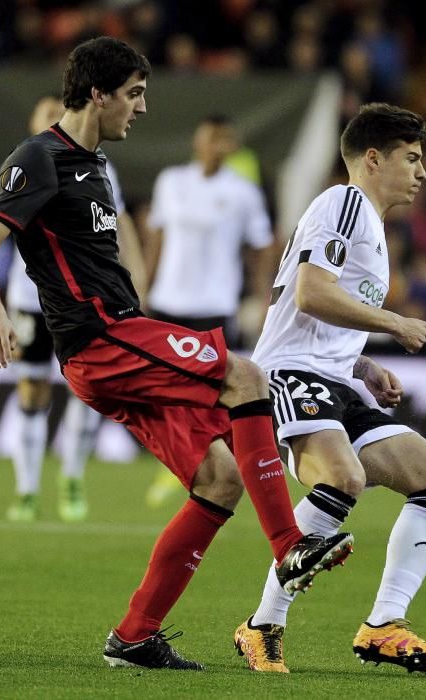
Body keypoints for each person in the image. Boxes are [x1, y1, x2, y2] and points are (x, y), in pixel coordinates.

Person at [0, 36, 353, 671]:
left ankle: (135, 637)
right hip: (99, 340)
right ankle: (288, 543)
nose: (141, 109)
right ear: (98, 93)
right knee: (243, 373)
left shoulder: (95, 166)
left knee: (219, 480)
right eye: (134, 94)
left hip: (119, 336)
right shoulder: (39, 158)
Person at [233, 103, 426, 674]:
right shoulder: (343, 202)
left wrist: (361, 366)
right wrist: (394, 323)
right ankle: (264, 624)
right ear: (373, 157)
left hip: (336, 380)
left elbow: (310, 310)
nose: (422, 172)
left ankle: (384, 624)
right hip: (287, 374)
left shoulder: (370, 225)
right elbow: (311, 294)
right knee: (343, 477)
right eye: (411, 158)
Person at [1, 94, 148, 523]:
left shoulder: (100, 166)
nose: (51, 120)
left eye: (55, 113)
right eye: (43, 114)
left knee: (88, 393)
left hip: (84, 301)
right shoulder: (21, 166)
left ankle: (72, 477)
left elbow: (120, 223)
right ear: (33, 121)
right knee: (32, 390)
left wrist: (134, 279)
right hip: (29, 299)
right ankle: (27, 489)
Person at [142, 113, 274, 508]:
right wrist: (142, 287)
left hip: (215, 305)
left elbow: (262, 244)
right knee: (165, 393)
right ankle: (178, 463)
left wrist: (263, 295)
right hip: (168, 302)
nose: (216, 145)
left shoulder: (243, 191)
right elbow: (157, 236)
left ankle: (210, 467)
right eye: (210, 137)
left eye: (224, 139)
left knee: (214, 395)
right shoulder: (171, 181)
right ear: (198, 141)